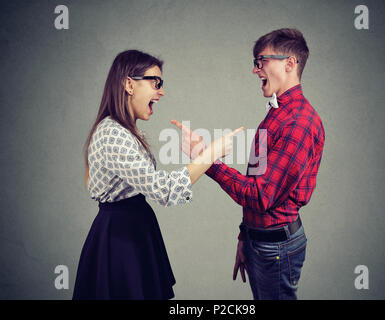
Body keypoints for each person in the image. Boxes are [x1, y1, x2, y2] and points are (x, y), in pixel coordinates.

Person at [72, 50, 242, 300]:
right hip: (120, 241)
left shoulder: (124, 131)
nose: (161, 91)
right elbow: (164, 190)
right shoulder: (111, 134)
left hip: (134, 232)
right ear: (129, 84)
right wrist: (209, 155)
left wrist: (203, 155)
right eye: (155, 82)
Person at [172, 28, 325, 300]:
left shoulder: (297, 123)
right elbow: (257, 181)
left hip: (276, 247)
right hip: (261, 241)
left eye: (261, 62)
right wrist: (245, 236)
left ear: (290, 63)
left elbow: (259, 194)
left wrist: (207, 161)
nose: (255, 70)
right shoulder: (278, 114)